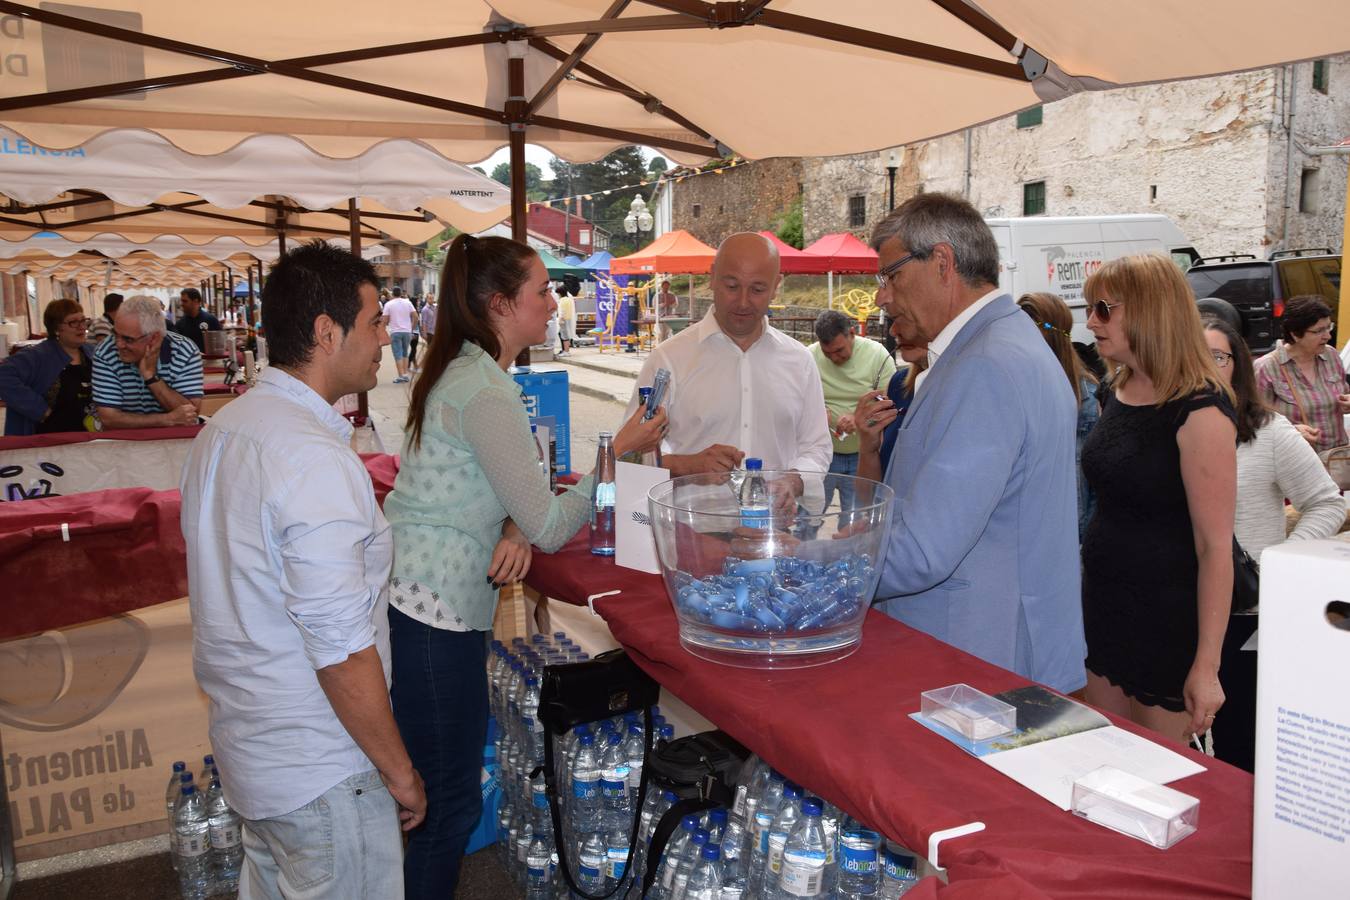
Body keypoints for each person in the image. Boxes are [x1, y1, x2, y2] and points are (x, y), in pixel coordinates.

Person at [382, 234, 665, 898]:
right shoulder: (484, 389)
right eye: (541, 291)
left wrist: (514, 523)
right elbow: (548, 520)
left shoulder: (469, 373)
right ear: (501, 303)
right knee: (443, 805)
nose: (552, 302)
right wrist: (616, 451)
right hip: (432, 614)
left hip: (430, 601)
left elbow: (512, 494)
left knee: (439, 795)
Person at [180, 241, 424, 900]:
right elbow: (341, 650)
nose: (385, 337)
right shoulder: (309, 457)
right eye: (375, 321)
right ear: (326, 332)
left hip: (256, 757)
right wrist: (399, 771)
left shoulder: (224, 430)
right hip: (321, 769)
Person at [868, 192, 1085, 694]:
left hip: (979, 658)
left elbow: (923, 549)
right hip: (995, 648)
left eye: (891, 275)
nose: (882, 296)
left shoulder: (986, 363)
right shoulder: (1005, 343)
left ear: (941, 262)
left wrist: (809, 562)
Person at [1081, 254, 1236, 743]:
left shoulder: (1201, 410)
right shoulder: (1118, 388)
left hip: (1166, 625)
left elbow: (1215, 548)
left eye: (1104, 309)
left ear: (1150, 311)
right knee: (1102, 764)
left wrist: (1206, 668)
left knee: (1155, 781)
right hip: (1104, 608)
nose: (1090, 321)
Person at [1203, 316, 1345, 771]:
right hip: (1176, 608)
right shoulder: (1163, 430)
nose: (1205, 367)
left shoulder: (1267, 431)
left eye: (1218, 356)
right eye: (1195, 355)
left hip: (1244, 613)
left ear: (1238, 365)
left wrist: (1275, 562)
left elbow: (1327, 503)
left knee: (1239, 742)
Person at [624, 232, 832, 477]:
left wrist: (796, 480)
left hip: (775, 516)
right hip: (689, 515)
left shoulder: (800, 360)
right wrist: (687, 466)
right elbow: (630, 455)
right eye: (731, 286)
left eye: (757, 289)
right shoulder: (668, 359)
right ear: (712, 277)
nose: (743, 302)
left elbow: (816, 446)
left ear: (776, 286)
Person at [1017, 292, 1100, 539]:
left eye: (1026, 327)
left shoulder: (1088, 399)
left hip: (1073, 544)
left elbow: (1097, 488)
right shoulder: (1015, 389)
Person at [809, 308, 896, 515]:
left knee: (857, 518)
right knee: (810, 516)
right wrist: (817, 414)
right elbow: (795, 401)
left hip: (863, 454)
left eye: (839, 351)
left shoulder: (877, 355)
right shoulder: (808, 356)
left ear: (852, 334)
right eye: (827, 353)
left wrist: (859, 419)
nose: (834, 358)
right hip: (822, 452)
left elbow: (889, 404)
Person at [1254, 295, 1349, 454]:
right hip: (1297, 462)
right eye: (1319, 331)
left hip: (1337, 460)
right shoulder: (1267, 367)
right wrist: (1292, 432)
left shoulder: (1331, 356)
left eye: (1328, 327)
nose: (1328, 336)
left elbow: (1344, 393)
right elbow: (1255, 422)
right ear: (1295, 334)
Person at [92, 294, 203, 430]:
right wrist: (166, 420)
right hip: (123, 444)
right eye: (115, 334)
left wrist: (151, 377)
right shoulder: (105, 352)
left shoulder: (184, 351)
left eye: (128, 339)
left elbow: (191, 413)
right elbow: (108, 418)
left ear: (154, 338)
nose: (118, 344)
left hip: (175, 442)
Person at [0, 299, 97, 435]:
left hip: (88, 437)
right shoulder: (38, 356)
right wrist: (40, 410)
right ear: (56, 328)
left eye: (83, 320)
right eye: (73, 322)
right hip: (48, 441)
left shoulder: (91, 352)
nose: (82, 326)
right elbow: (3, 376)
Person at [852, 316, 927, 481]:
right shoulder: (899, 384)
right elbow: (869, 495)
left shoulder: (965, 386)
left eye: (909, 317)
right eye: (894, 319)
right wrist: (868, 446)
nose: (894, 330)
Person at [173, 287, 222, 353]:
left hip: (209, 361)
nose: (182, 304)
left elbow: (220, 343)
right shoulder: (180, 324)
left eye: (185, 301)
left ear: (195, 301)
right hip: (190, 362)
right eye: (181, 301)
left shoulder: (211, 320)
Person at [384, 287, 417, 383]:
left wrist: (387, 323)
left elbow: (385, 319)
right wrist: (412, 328)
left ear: (393, 294)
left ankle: (401, 375)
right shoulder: (408, 302)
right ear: (401, 293)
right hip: (407, 331)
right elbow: (416, 317)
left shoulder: (388, 304)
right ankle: (405, 374)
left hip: (395, 331)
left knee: (397, 353)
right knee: (405, 353)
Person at [556, 288, 576, 356]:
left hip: (563, 319)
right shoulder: (569, 299)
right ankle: (566, 350)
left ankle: (566, 351)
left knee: (564, 335)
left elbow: (562, 310)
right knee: (566, 335)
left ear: (560, 293)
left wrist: (560, 319)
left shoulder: (562, 300)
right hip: (568, 318)